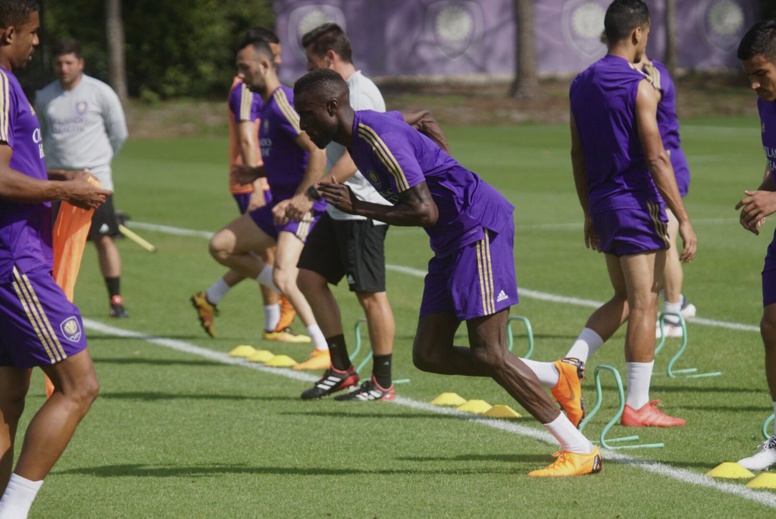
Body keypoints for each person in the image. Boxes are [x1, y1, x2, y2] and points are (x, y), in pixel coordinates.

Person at [293, 68, 602, 477]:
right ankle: (553, 373)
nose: (303, 123)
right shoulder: (364, 131)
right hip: (450, 239)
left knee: (488, 351)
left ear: (333, 107)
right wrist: (434, 146)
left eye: (307, 113)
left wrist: (359, 206)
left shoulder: (374, 137)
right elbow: (417, 116)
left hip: (476, 228)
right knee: (429, 354)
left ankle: (579, 448)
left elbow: (425, 210)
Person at [521, 0, 697, 430]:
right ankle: (637, 406)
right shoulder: (640, 86)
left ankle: (569, 364)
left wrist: (588, 212)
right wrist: (684, 218)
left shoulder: (580, 83)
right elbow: (656, 158)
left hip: (602, 203)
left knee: (623, 300)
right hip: (636, 204)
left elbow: (577, 154)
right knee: (644, 304)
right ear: (638, 33)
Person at [0, 2, 112, 517]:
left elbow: (17, 164)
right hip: (15, 258)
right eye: (31, 33)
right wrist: (63, 192)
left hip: (14, 254)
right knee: (79, 385)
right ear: (7, 32)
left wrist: (63, 179)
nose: (36, 43)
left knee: (9, 396)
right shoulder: (0, 83)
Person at [293, 23, 397, 396]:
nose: (309, 70)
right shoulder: (335, 93)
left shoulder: (361, 92)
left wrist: (312, 193)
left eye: (312, 61)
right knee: (308, 277)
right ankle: (341, 367)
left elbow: (358, 153)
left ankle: (383, 381)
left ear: (330, 57)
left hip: (363, 207)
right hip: (340, 206)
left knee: (370, 294)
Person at [209, 37, 330, 356]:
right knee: (220, 245)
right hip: (278, 206)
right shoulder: (266, 105)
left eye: (244, 67)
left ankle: (324, 350)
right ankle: (283, 289)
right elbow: (286, 158)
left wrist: (302, 199)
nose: (240, 75)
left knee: (285, 275)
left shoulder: (284, 102)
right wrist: (257, 174)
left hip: (300, 207)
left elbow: (318, 153)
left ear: (264, 65)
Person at [190, 28, 307, 343]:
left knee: (256, 253)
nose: (279, 59)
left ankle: (212, 298)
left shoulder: (270, 94)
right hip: (255, 182)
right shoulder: (244, 90)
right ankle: (274, 325)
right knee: (263, 254)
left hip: (262, 176)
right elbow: (246, 137)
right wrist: (258, 185)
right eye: (275, 53)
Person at [35, 39, 129, 318]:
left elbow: (118, 133)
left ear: (81, 64)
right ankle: (53, 300)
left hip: (92, 180)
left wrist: (98, 165)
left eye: (69, 63)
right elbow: (39, 135)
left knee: (103, 239)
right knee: (50, 241)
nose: (63, 68)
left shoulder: (100, 92)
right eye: (59, 63)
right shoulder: (44, 96)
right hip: (56, 181)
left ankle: (115, 299)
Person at [734, 19, 776, 471]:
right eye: (750, 74)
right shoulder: (767, 104)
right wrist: (763, 194)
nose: (754, 84)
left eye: (761, 72)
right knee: (772, 327)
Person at [638, 55, 697, 338]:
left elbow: (649, 101)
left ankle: (672, 316)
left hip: (666, 164)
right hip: (650, 167)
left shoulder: (652, 73)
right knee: (660, 238)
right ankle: (678, 304)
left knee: (666, 239)